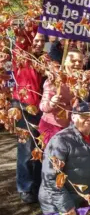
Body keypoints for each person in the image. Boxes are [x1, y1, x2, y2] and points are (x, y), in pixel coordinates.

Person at [38, 102, 90, 215]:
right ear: (73, 117)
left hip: (84, 186)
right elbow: (50, 178)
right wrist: (65, 205)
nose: (89, 119)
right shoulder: (61, 140)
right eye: (84, 116)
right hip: (56, 197)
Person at [12, 31, 46, 203]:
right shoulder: (21, 57)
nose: (39, 43)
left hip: (41, 109)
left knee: (39, 150)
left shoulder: (43, 61)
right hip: (24, 107)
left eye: (42, 41)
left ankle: (38, 185)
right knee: (25, 150)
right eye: (36, 40)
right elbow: (23, 34)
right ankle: (25, 187)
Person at [39, 50, 84, 146]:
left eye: (80, 61)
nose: (77, 64)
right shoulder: (54, 80)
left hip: (72, 127)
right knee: (55, 159)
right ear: (65, 62)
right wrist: (51, 103)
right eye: (73, 61)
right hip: (53, 126)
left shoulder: (81, 81)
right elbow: (43, 107)